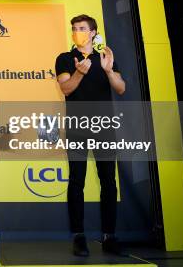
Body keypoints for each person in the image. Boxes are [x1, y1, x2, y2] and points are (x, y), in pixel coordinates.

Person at [55, 15, 125, 256]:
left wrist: (108, 71)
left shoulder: (105, 57)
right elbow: (66, 88)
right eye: (74, 29)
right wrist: (79, 73)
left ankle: (109, 236)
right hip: (76, 126)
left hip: (104, 126)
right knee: (77, 180)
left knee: (108, 181)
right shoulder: (65, 58)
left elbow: (121, 87)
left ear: (94, 32)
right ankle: (79, 236)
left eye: (82, 29)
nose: (77, 32)